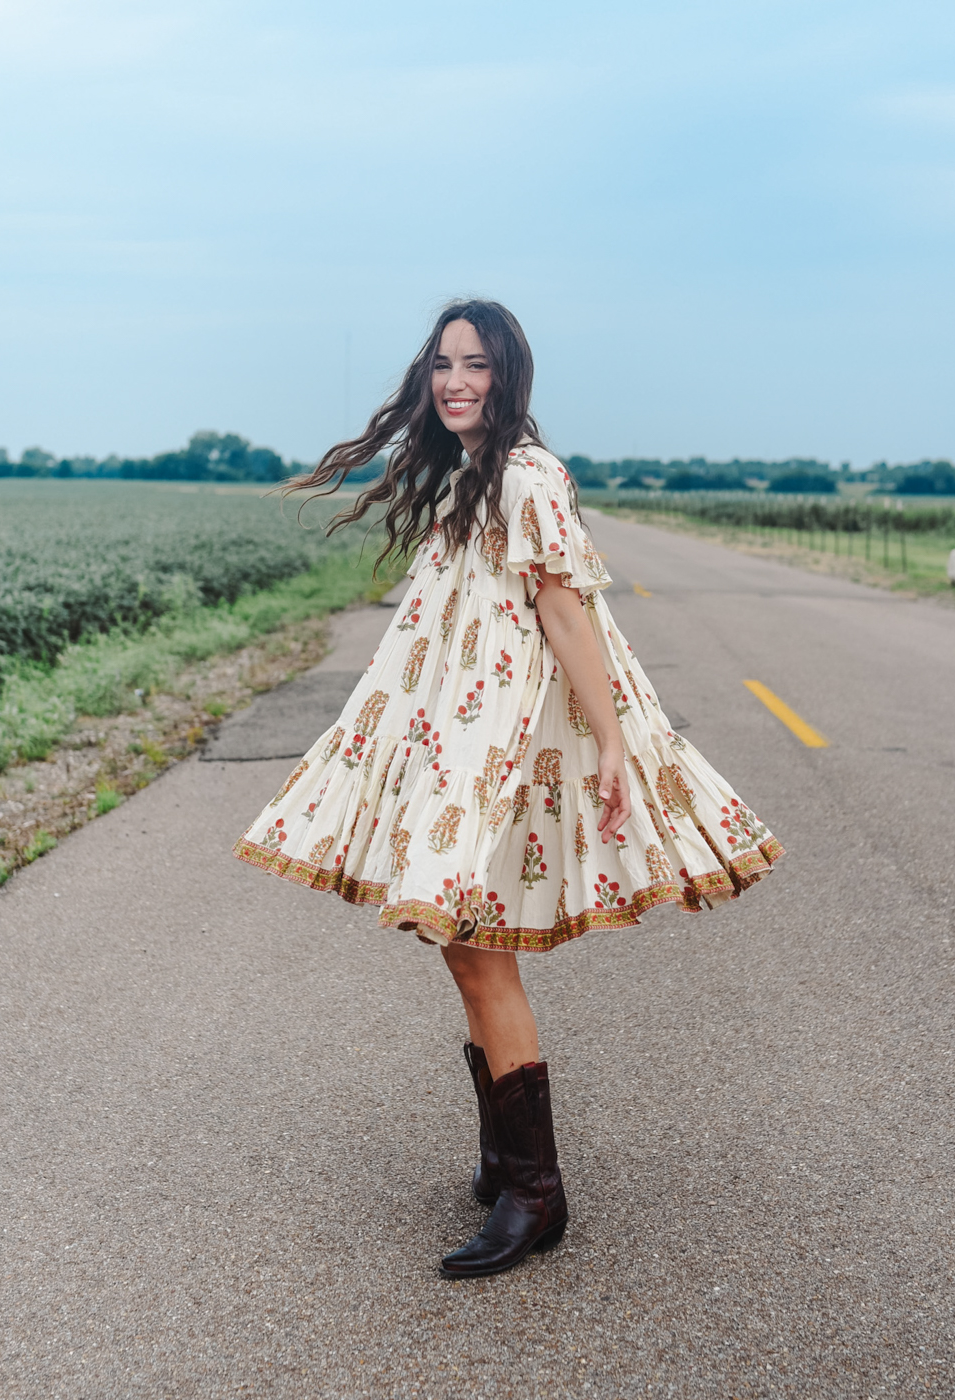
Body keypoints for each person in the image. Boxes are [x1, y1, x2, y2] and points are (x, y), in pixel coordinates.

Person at [235, 299, 784, 1278]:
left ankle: (537, 1189)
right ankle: (503, 1154)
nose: (453, 380)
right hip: (454, 731)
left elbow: (566, 616)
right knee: (459, 940)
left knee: (480, 945)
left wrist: (613, 746)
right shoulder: (465, 471)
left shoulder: (527, 475)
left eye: (474, 364)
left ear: (508, 374)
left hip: (502, 745)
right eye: (442, 362)